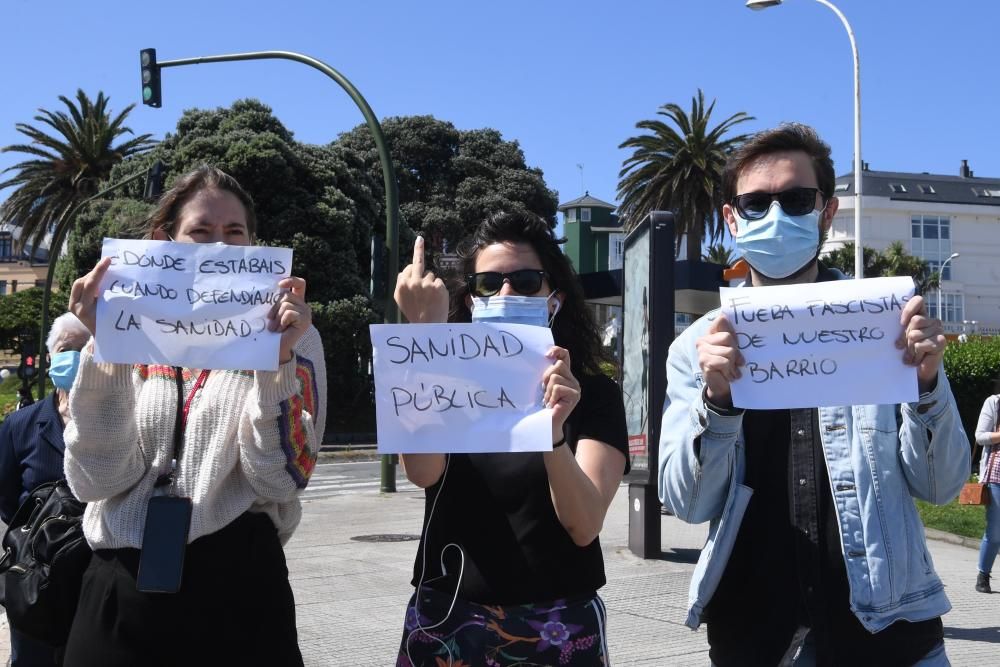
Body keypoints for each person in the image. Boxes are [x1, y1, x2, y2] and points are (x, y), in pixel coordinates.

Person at [658, 123, 970, 667]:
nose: (775, 217)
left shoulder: (884, 327)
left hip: (889, 634)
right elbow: (688, 503)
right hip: (755, 638)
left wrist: (926, 384)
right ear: (732, 219)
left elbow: (942, 486)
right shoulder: (695, 348)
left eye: (796, 199)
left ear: (826, 212)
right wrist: (718, 401)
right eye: (755, 203)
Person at [60, 165, 327, 666]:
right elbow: (95, 480)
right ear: (165, 242)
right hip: (121, 582)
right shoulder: (123, 330)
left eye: (234, 233)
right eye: (200, 232)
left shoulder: (294, 335)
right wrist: (106, 352)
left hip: (240, 588)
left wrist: (278, 364)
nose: (219, 247)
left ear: (253, 245)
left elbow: (281, 478)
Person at [392, 212, 629, 667]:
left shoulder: (593, 393)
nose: (505, 293)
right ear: (470, 298)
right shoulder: (442, 380)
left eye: (525, 281)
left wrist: (553, 431)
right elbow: (422, 471)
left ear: (553, 299)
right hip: (450, 616)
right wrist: (422, 336)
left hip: (556, 622)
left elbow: (584, 525)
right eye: (488, 283)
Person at [0, 313, 91, 666]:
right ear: (51, 356)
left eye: (87, 348)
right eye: (68, 349)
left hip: (94, 579)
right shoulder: (20, 425)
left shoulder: (120, 421)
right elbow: (7, 500)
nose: (78, 357)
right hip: (37, 580)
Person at [974, 391, 1000, 594]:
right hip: (997, 477)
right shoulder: (994, 402)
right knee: (995, 530)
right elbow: (980, 437)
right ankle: (983, 574)